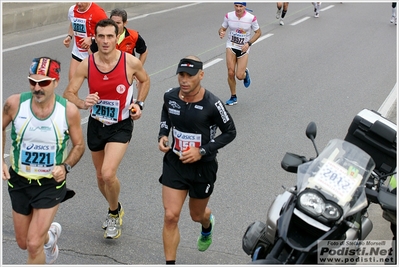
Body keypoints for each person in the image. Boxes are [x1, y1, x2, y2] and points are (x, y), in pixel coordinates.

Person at [63, 18, 150, 239]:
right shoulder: (87, 64)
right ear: (95, 37)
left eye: (110, 36)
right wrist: (84, 103)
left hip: (120, 125)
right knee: (100, 178)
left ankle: (113, 214)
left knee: (108, 173)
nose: (105, 41)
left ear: (116, 37)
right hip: (96, 124)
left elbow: (145, 81)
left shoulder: (130, 62)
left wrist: (138, 104)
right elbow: (69, 93)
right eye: (100, 36)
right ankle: (116, 207)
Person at [2, 57, 85, 264]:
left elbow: (79, 145)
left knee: (32, 244)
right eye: (32, 82)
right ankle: (50, 237)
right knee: (23, 242)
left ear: (56, 82)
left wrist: (65, 167)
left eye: (44, 82)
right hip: (19, 181)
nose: (37, 88)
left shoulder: (68, 111)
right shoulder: (14, 103)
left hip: (49, 184)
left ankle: (42, 240)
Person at [158, 56, 237, 264]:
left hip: (203, 167)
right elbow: (166, 114)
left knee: (196, 215)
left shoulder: (213, 103)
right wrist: (163, 135)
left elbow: (230, 132)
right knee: (170, 216)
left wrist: (201, 151)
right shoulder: (170, 96)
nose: (184, 80)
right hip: (175, 162)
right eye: (181, 75)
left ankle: (206, 223)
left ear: (201, 75)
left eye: (190, 76)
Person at [218, 2, 262, 105]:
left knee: (239, 76)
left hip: (243, 49)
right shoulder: (229, 16)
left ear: (245, 6)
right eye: (236, 6)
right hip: (231, 46)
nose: (238, 9)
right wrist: (221, 32)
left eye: (241, 6)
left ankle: (245, 74)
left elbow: (258, 32)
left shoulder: (251, 18)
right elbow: (222, 28)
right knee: (230, 72)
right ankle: (233, 97)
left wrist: (249, 43)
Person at [63, 2, 107, 80]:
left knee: (96, 86)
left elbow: (108, 31)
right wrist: (69, 36)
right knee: (72, 85)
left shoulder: (98, 12)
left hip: (94, 54)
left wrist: (92, 39)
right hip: (78, 53)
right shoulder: (72, 10)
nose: (79, 3)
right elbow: (72, 23)